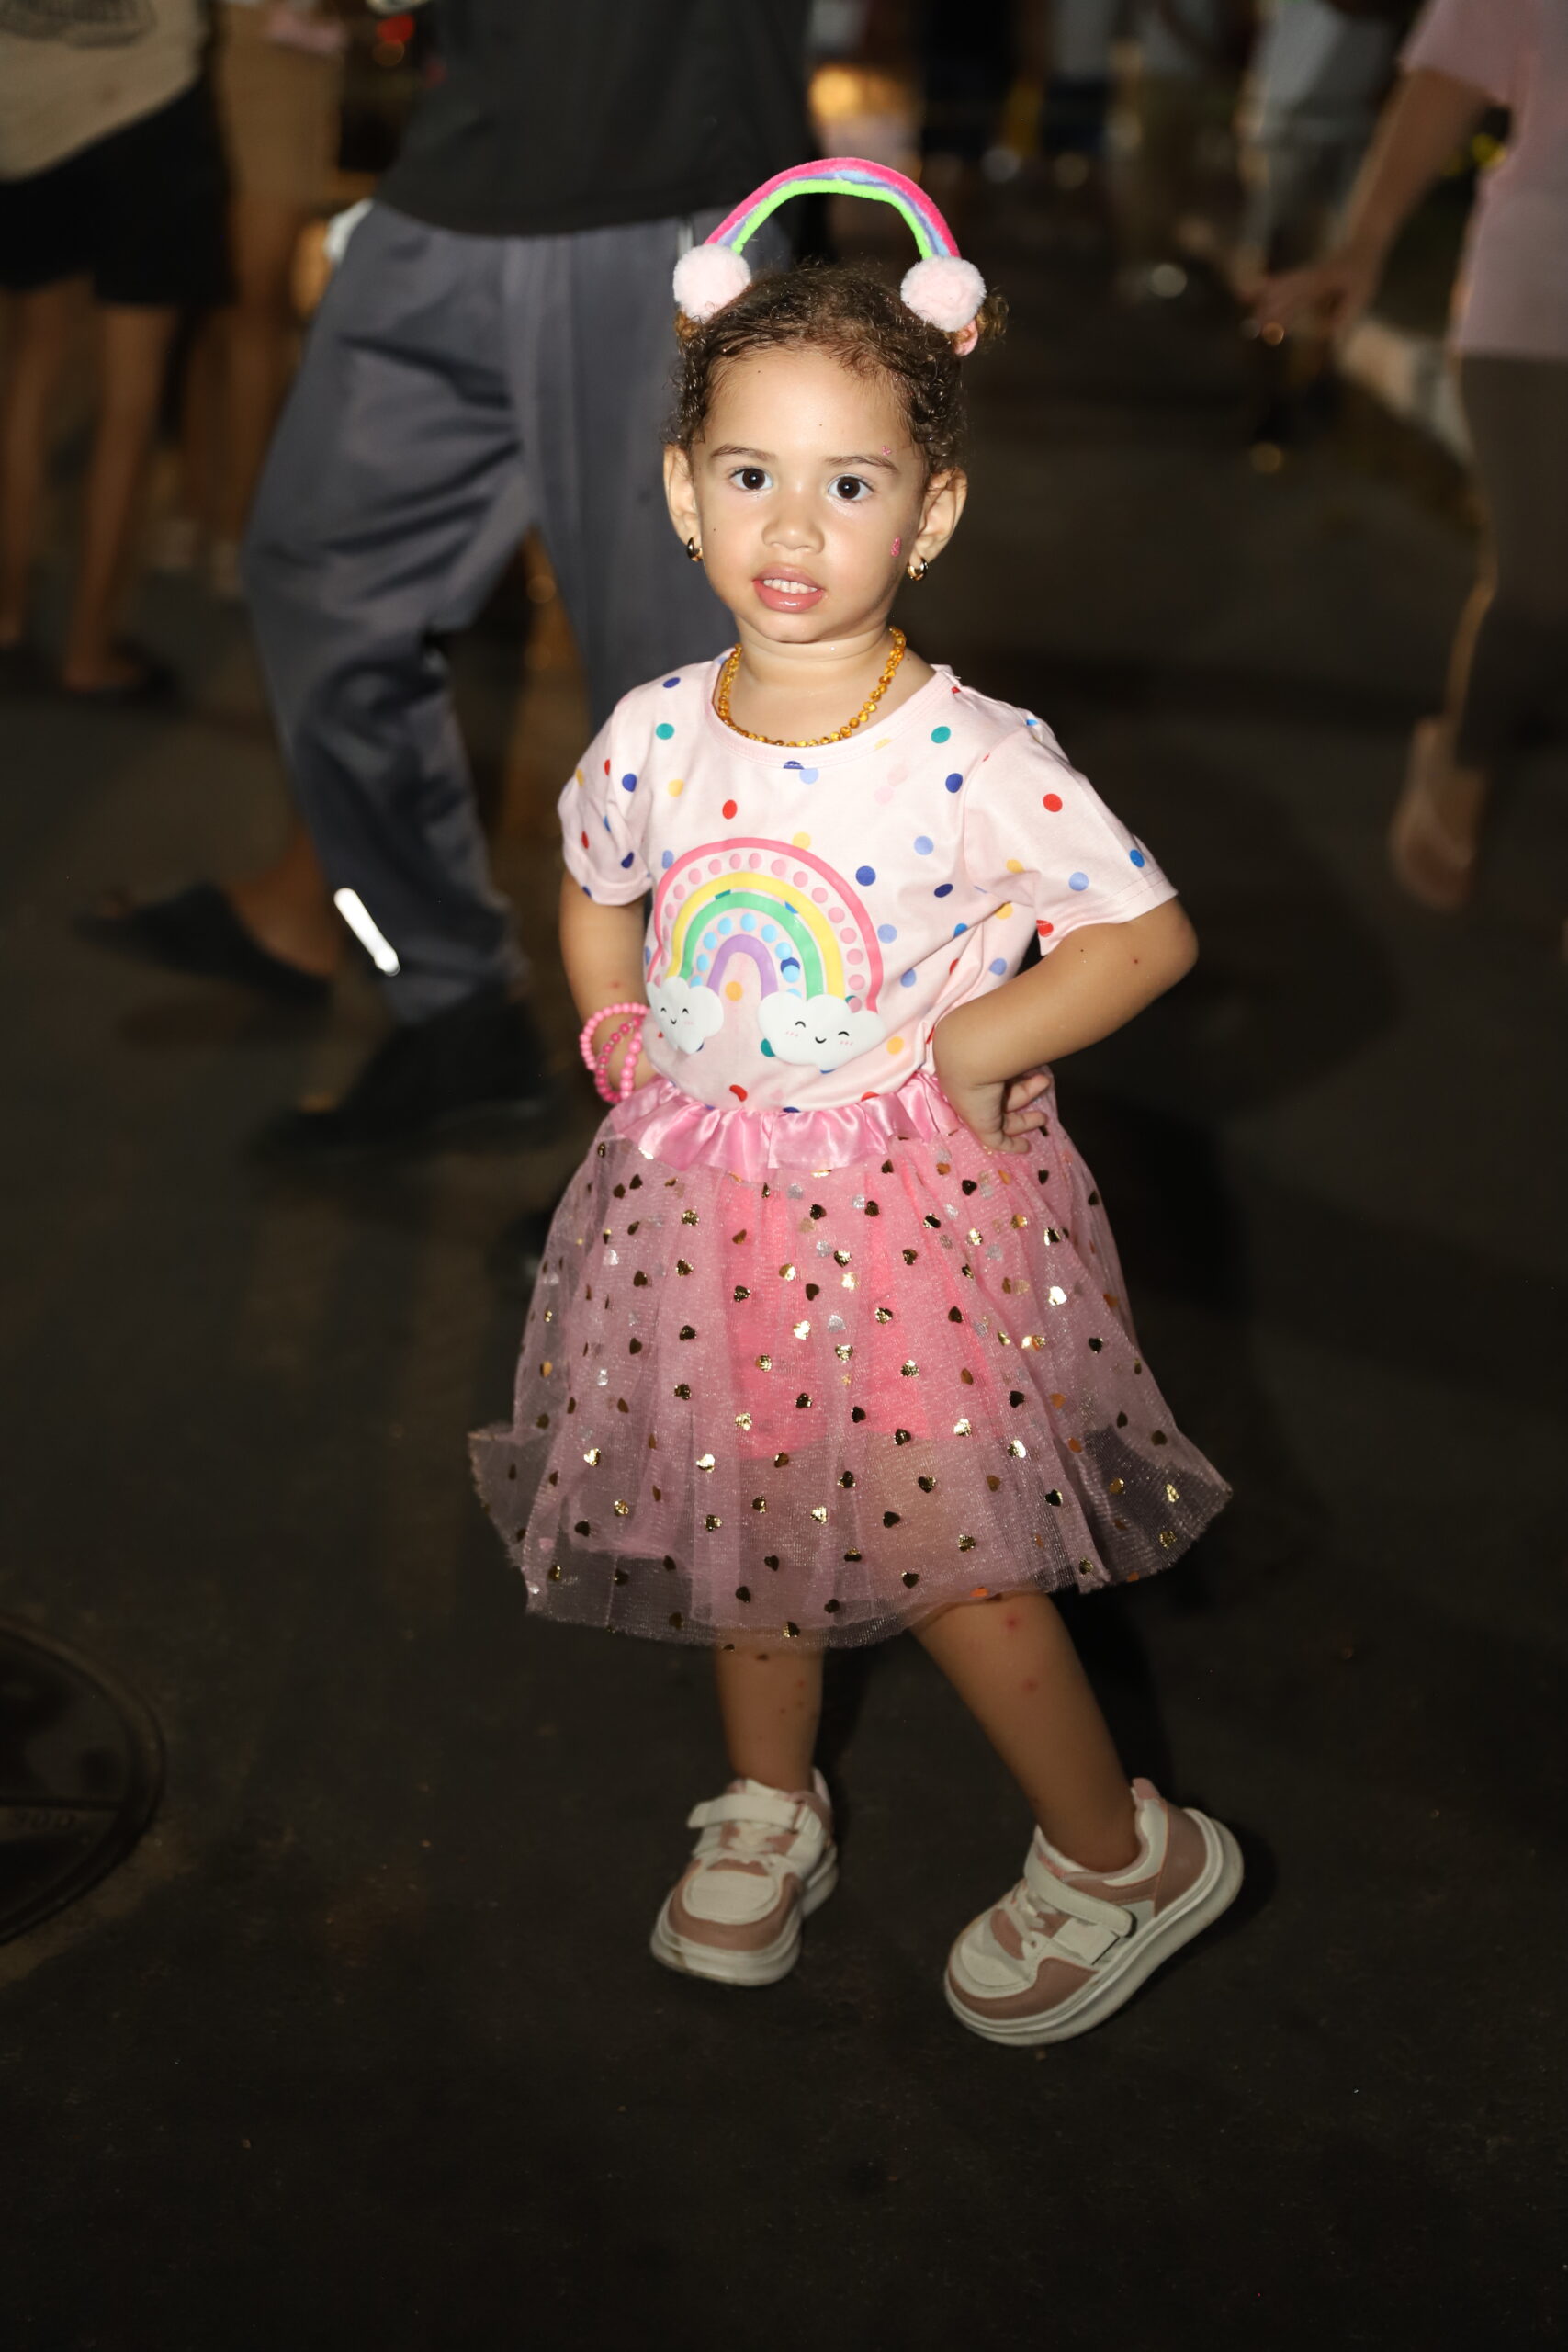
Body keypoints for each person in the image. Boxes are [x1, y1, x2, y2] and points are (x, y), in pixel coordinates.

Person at [471, 162, 1244, 2044]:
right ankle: (769, 1799)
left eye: (850, 482)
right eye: (749, 473)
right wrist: (613, 1019)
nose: (791, 525)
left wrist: (978, 1043)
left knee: (953, 1556)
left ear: (933, 509)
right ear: (681, 491)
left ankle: (1121, 1853)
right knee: (737, 1495)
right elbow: (593, 882)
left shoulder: (969, 755)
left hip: (905, 1229)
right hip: (704, 1206)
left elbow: (1142, 936)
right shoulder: (656, 728)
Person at [86, 0, 812, 1154]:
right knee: (319, 579)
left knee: (686, 698)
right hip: (464, 161)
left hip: (660, 168)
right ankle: (449, 997)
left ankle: (714, 1158)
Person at [1257, 0, 1568, 910]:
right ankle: (1464, 754)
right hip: (1538, 300)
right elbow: (1446, 77)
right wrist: (1362, 245)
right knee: (1543, 586)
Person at [0, 0, 229, 698]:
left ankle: (5, 613)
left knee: (32, 363)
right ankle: (90, 649)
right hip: (142, 102)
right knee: (129, 397)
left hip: (25, 101)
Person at [160, 0, 348, 599]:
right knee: (211, 306)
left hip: (285, 51)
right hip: (193, 46)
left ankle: (236, 524)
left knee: (254, 305)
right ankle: (195, 503)